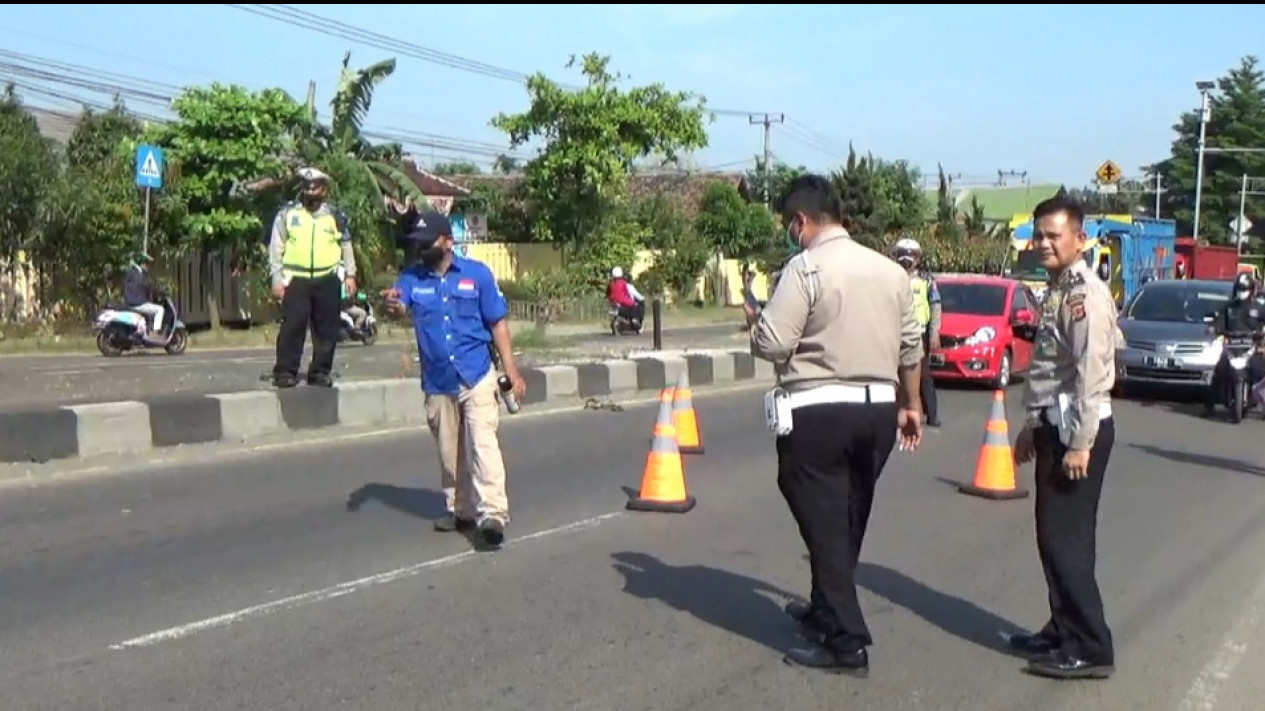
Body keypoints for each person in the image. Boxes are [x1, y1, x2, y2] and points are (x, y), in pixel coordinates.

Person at [745, 174, 924, 675]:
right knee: (848, 514)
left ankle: (846, 641)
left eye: (788, 225)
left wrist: (755, 322)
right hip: (879, 410)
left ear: (801, 221)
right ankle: (824, 608)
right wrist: (912, 404)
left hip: (820, 410)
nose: (789, 233)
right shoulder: (891, 273)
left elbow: (775, 343)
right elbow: (912, 347)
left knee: (823, 521)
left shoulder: (805, 268)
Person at [1011, 195, 1120, 680]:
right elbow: (1049, 371)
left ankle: (1090, 646)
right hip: (1057, 425)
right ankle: (1063, 626)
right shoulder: (1057, 288)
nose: (1045, 244)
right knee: (1052, 536)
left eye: (1055, 235)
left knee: (1066, 540)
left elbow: (1091, 373)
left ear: (1080, 238)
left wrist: (1081, 442)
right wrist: (1033, 428)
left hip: (1080, 428)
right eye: (1040, 235)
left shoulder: (1084, 294)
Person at [382, 207, 526, 550]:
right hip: (438, 380)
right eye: (417, 243)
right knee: (450, 453)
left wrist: (512, 370)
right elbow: (399, 304)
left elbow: (497, 324)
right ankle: (460, 509)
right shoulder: (412, 278)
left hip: (476, 374)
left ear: (447, 241)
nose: (421, 248)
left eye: (427, 241)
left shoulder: (477, 275)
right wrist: (393, 306)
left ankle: (492, 515)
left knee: (482, 445)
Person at [268, 167, 356, 388]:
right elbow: (276, 248)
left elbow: (346, 245)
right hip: (296, 278)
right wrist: (276, 280)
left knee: (327, 329)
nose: (310, 191)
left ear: (324, 190)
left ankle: (320, 371)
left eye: (315, 187)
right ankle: (285, 372)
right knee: (292, 327)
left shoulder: (335, 216)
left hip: (327, 278)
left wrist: (350, 275)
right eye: (306, 187)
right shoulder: (287, 214)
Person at [892, 238, 942, 427]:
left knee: (923, 375)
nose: (906, 258)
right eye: (902, 254)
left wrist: (934, 333)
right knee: (895, 375)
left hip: (919, 333)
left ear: (918, 258)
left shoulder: (926, 281)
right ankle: (898, 411)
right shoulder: (892, 278)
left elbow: (936, 307)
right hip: (896, 332)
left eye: (911, 254)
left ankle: (932, 413)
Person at [1204, 271, 1265, 413]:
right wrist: (1213, 328)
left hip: (1251, 347)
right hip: (1232, 346)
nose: (1242, 292)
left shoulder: (1259, 307)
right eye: (1239, 289)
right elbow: (1218, 321)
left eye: (1244, 289)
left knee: (1260, 371)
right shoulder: (1229, 307)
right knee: (1219, 370)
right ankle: (1209, 406)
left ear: (1251, 290)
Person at [123, 252, 164, 334]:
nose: (148, 267)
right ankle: (154, 332)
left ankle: (146, 329)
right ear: (142, 264)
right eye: (146, 264)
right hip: (138, 303)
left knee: (151, 308)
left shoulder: (130, 272)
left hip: (130, 302)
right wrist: (159, 291)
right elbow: (148, 286)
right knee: (160, 309)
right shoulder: (140, 274)